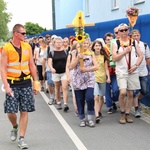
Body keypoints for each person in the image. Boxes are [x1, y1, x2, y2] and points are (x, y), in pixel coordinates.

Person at [1, 24, 40, 149]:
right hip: (12, 83)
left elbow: (32, 65)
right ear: (15, 34)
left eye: (25, 33)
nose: (25, 35)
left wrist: (36, 82)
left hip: (25, 82)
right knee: (11, 111)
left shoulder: (27, 46)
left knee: (24, 110)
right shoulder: (6, 48)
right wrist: (6, 85)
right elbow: (2, 68)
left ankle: (22, 138)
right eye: (23, 33)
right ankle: (14, 126)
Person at [112, 23, 143, 124]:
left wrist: (135, 66)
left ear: (128, 30)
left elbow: (141, 56)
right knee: (123, 92)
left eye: (126, 30)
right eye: (121, 30)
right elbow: (115, 58)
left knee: (130, 94)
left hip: (132, 71)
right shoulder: (116, 43)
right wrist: (125, 52)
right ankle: (121, 112)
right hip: (121, 72)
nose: (124, 32)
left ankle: (127, 114)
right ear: (118, 33)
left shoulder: (133, 42)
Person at [70, 38, 98, 127]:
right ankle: (82, 118)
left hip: (89, 78)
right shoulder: (75, 53)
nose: (84, 45)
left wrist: (87, 69)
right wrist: (78, 59)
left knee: (89, 97)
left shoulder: (91, 53)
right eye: (82, 43)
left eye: (86, 43)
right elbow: (70, 66)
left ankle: (90, 118)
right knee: (80, 99)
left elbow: (96, 66)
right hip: (78, 79)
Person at [131, 29, 150, 118]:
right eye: (134, 36)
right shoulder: (129, 45)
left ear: (140, 36)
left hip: (143, 71)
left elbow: (148, 58)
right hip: (133, 72)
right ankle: (137, 109)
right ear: (131, 37)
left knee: (144, 90)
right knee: (134, 91)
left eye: (137, 35)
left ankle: (138, 99)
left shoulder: (144, 45)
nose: (136, 37)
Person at [48, 36, 69, 112]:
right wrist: (51, 68)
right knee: (57, 88)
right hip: (56, 72)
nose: (59, 44)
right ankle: (59, 102)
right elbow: (49, 62)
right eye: (57, 42)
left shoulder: (66, 51)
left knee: (64, 87)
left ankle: (65, 103)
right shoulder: (52, 52)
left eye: (60, 42)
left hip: (64, 72)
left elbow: (68, 61)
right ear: (54, 43)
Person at [91, 40, 110, 124]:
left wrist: (108, 77)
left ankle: (98, 111)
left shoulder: (104, 57)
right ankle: (96, 115)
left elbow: (106, 68)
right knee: (96, 97)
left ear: (101, 47)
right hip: (94, 78)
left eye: (99, 45)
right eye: (96, 45)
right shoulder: (91, 56)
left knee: (101, 97)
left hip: (102, 78)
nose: (97, 47)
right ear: (93, 47)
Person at [104, 32, 119, 114]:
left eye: (111, 40)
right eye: (107, 40)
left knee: (116, 89)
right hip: (106, 72)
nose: (109, 41)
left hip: (115, 72)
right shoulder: (103, 49)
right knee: (107, 90)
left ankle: (114, 101)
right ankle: (109, 106)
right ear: (105, 41)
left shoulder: (116, 48)